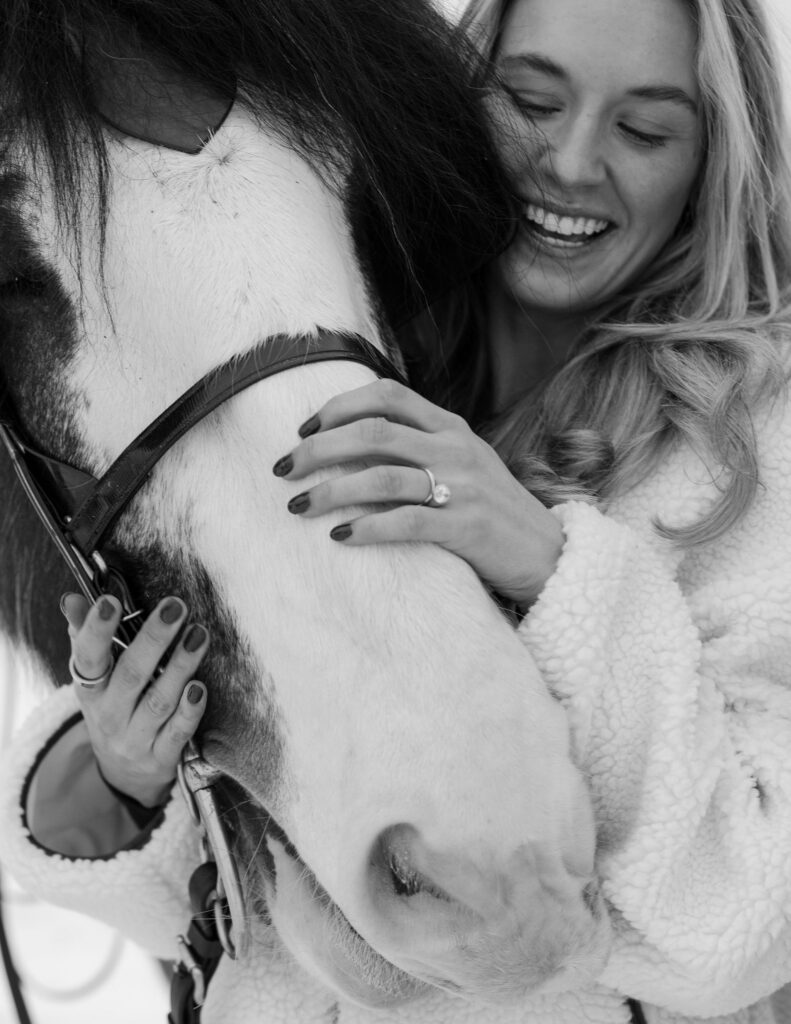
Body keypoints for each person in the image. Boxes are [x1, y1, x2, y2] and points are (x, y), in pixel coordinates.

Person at [5, 0, 791, 1021]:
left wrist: (553, 572)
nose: (570, 162)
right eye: (529, 101)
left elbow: (748, 914)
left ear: (710, 161)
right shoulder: (328, 363)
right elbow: (237, 913)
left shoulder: (750, 442)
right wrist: (119, 771)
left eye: (643, 130)